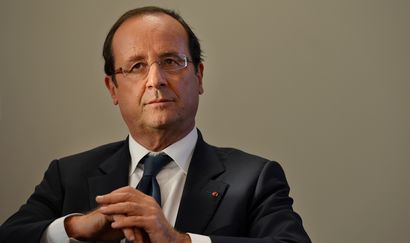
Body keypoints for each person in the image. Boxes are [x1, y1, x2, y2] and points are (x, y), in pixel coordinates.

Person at [0, 6, 311, 243]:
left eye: (171, 62)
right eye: (136, 66)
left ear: (199, 76)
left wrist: (180, 241)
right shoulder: (68, 176)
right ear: (113, 89)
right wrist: (74, 228)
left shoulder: (255, 179)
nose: (155, 80)